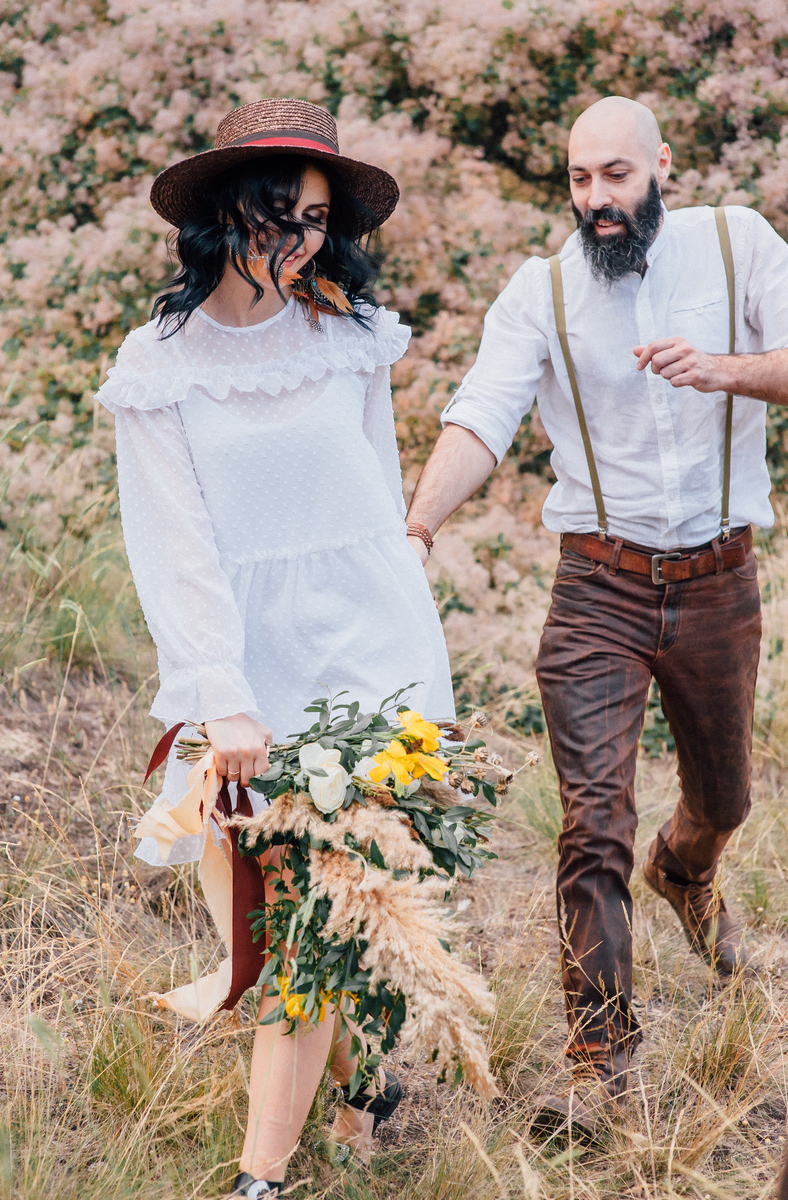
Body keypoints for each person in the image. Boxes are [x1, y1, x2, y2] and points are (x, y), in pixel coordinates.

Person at [403, 95, 788, 1133]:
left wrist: (728, 371)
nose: (598, 199)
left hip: (718, 580)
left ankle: (688, 869)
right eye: (580, 180)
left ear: (662, 164)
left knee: (728, 801)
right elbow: (481, 415)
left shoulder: (736, 242)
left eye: (616, 176)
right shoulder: (543, 291)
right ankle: (599, 1063)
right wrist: (419, 526)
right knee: (590, 826)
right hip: (597, 587)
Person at [97, 98, 454, 1198]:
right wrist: (225, 696)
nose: (298, 239)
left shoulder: (351, 337)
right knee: (288, 919)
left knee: (320, 923)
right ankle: (358, 1092)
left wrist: (414, 665)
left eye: (314, 219)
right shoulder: (158, 365)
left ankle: (263, 1180)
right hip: (251, 684)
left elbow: (378, 508)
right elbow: (178, 553)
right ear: (222, 215)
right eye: (276, 215)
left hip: (375, 663)